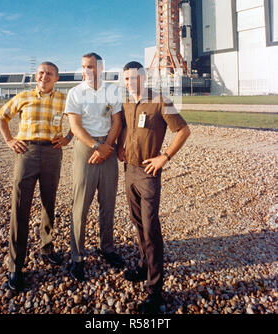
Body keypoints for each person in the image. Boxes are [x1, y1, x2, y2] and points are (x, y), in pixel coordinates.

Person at [117, 61, 190, 314]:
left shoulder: (161, 100)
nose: (130, 82)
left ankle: (155, 291)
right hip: (129, 171)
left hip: (149, 172)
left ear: (144, 76)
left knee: (150, 229)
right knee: (137, 223)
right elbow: (125, 127)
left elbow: (183, 130)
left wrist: (165, 157)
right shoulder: (126, 102)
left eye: (134, 77)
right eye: (126, 79)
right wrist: (119, 146)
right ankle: (143, 266)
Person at [0, 62, 73, 291]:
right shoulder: (24, 96)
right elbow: (1, 116)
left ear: (57, 78)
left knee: (49, 203)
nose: (44, 76)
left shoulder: (64, 99)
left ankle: (47, 248)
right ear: (35, 76)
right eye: (40, 73)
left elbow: (80, 119)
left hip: (52, 153)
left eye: (49, 73)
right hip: (26, 152)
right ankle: (16, 265)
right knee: (20, 206)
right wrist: (9, 140)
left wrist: (68, 138)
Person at [65, 52, 123, 281]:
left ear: (100, 68)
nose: (86, 70)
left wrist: (107, 146)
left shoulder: (112, 90)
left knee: (108, 202)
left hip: (108, 147)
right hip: (85, 147)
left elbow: (117, 120)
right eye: (83, 67)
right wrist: (95, 147)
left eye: (90, 66)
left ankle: (106, 248)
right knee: (80, 204)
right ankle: (77, 257)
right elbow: (75, 125)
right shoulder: (75, 92)